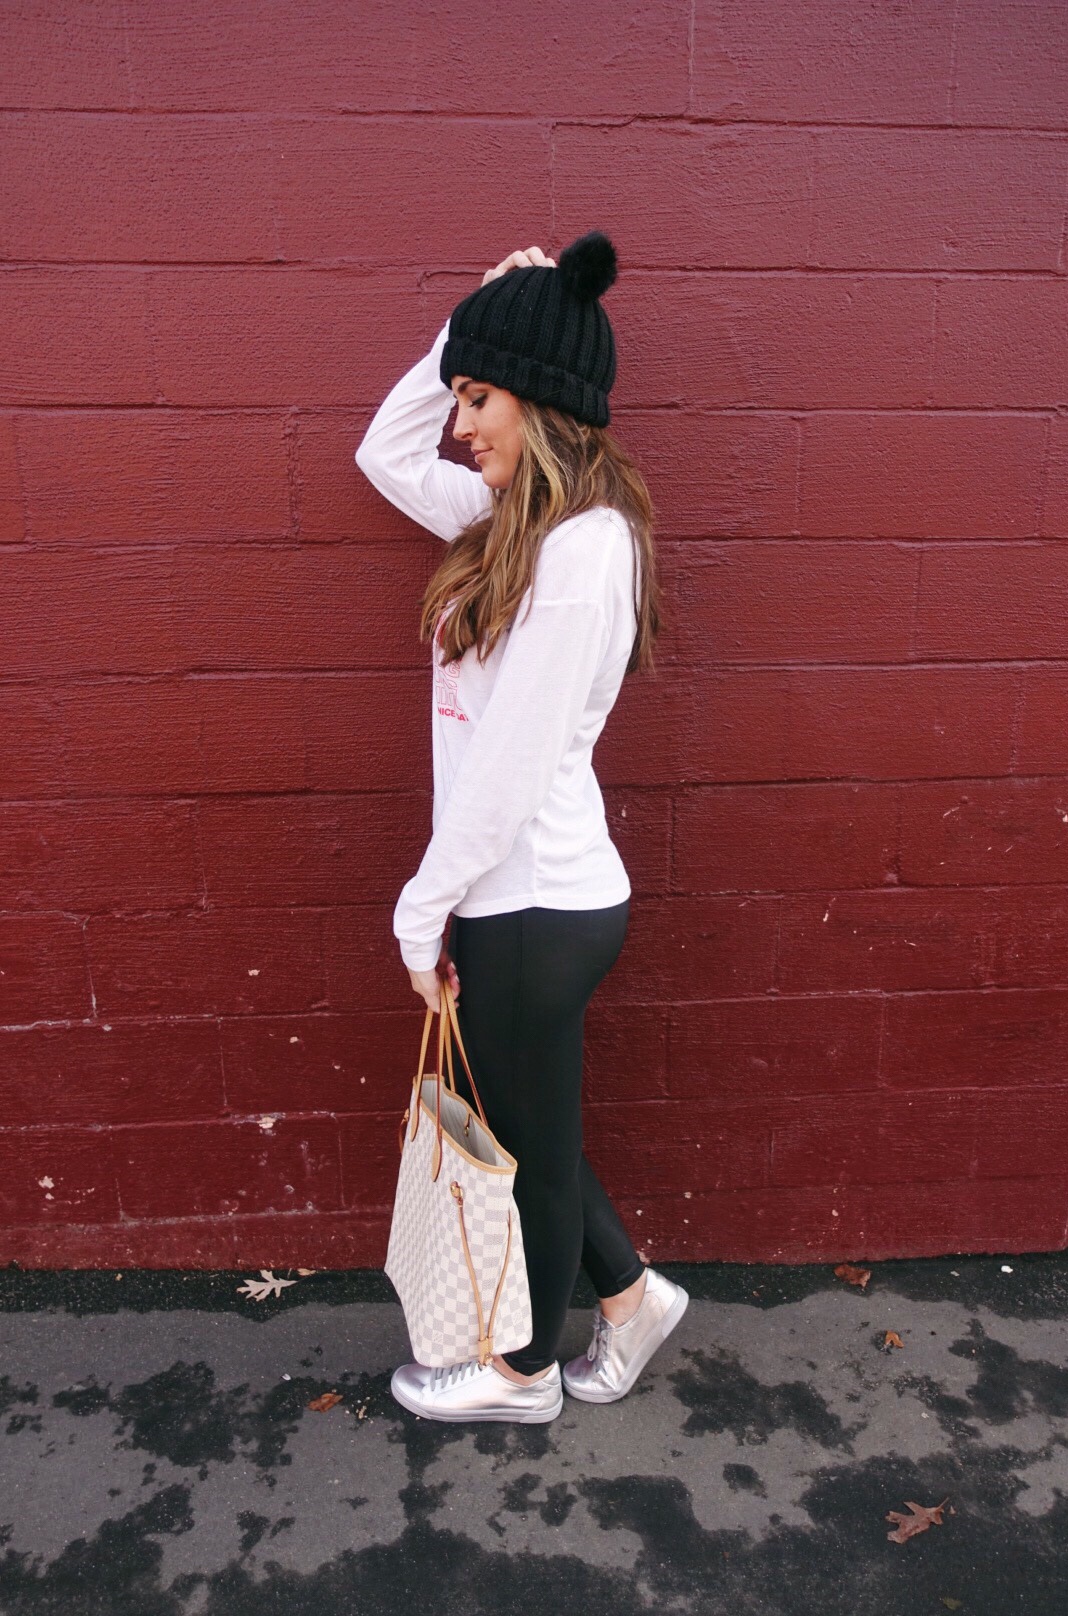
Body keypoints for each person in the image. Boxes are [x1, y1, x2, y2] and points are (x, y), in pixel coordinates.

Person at [354, 232, 688, 1424]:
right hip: (518, 894)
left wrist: (419, 910)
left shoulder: (585, 551)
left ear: (543, 402)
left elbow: (506, 767)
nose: (459, 426)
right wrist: (468, 327)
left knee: (532, 1146)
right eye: (460, 397)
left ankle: (524, 1371)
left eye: (481, 398)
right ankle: (632, 1298)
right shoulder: (508, 520)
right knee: (530, 1128)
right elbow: (381, 452)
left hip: (536, 897)